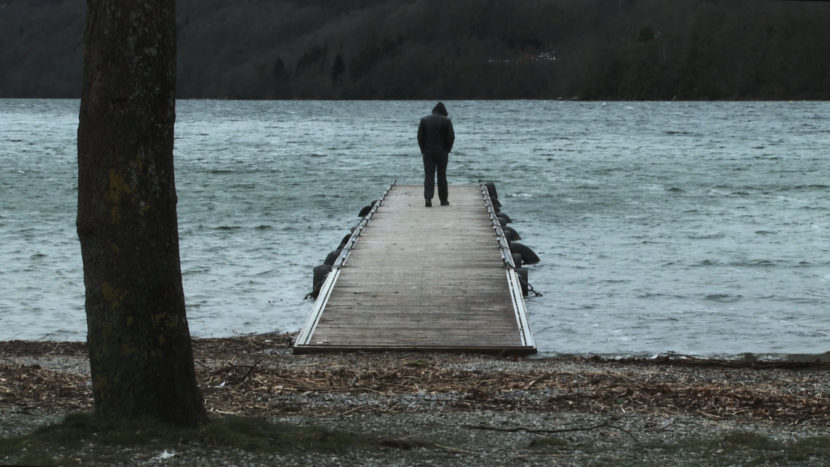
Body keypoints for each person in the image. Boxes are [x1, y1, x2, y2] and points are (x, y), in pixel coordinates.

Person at [417, 102, 455, 207]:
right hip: (442, 152)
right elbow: (451, 137)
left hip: (428, 151)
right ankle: (443, 200)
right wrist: (447, 149)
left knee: (429, 175)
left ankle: (428, 199)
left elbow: (420, 136)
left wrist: (423, 149)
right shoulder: (446, 121)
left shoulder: (424, 120)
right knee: (442, 175)